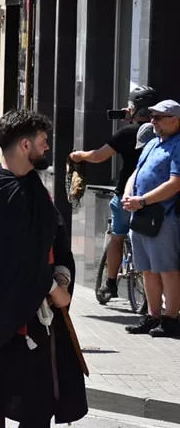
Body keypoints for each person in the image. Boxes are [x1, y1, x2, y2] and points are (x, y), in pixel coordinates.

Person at [0, 110, 87, 428]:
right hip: (2, 323)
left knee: (38, 409)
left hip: (37, 321)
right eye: (43, 142)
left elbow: (54, 239)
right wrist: (51, 287)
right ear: (25, 145)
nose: (47, 148)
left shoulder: (34, 189)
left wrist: (62, 276)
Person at [69, 85, 158, 303]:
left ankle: (110, 283)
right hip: (155, 197)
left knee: (117, 237)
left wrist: (79, 156)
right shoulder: (162, 132)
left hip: (127, 195)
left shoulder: (128, 132)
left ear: (136, 109)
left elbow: (99, 156)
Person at [120, 99, 180, 337]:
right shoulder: (152, 144)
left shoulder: (177, 145)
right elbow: (137, 172)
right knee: (147, 269)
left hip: (162, 216)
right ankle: (153, 315)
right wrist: (128, 193)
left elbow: (175, 184)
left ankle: (170, 318)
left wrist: (143, 200)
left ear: (174, 120)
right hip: (141, 214)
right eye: (151, 116)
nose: (152, 121)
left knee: (167, 268)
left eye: (157, 118)